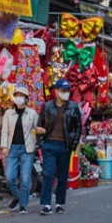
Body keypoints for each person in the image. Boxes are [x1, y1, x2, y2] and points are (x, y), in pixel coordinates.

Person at [34, 78, 82, 215]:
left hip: (65, 146)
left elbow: (78, 128)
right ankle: (47, 204)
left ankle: (60, 203)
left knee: (62, 176)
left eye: (67, 90)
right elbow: (38, 126)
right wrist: (41, 143)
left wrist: (73, 145)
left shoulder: (73, 107)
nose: (66, 93)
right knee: (48, 174)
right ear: (56, 92)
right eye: (63, 90)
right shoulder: (47, 106)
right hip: (49, 145)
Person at [0, 88, 39, 214]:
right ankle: (16, 197)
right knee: (9, 176)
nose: (19, 98)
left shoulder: (32, 114)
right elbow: (4, 131)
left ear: (26, 98)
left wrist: (36, 142)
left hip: (27, 149)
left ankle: (23, 205)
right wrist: (4, 146)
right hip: (12, 148)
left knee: (25, 179)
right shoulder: (8, 114)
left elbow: (37, 129)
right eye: (16, 95)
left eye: (21, 95)